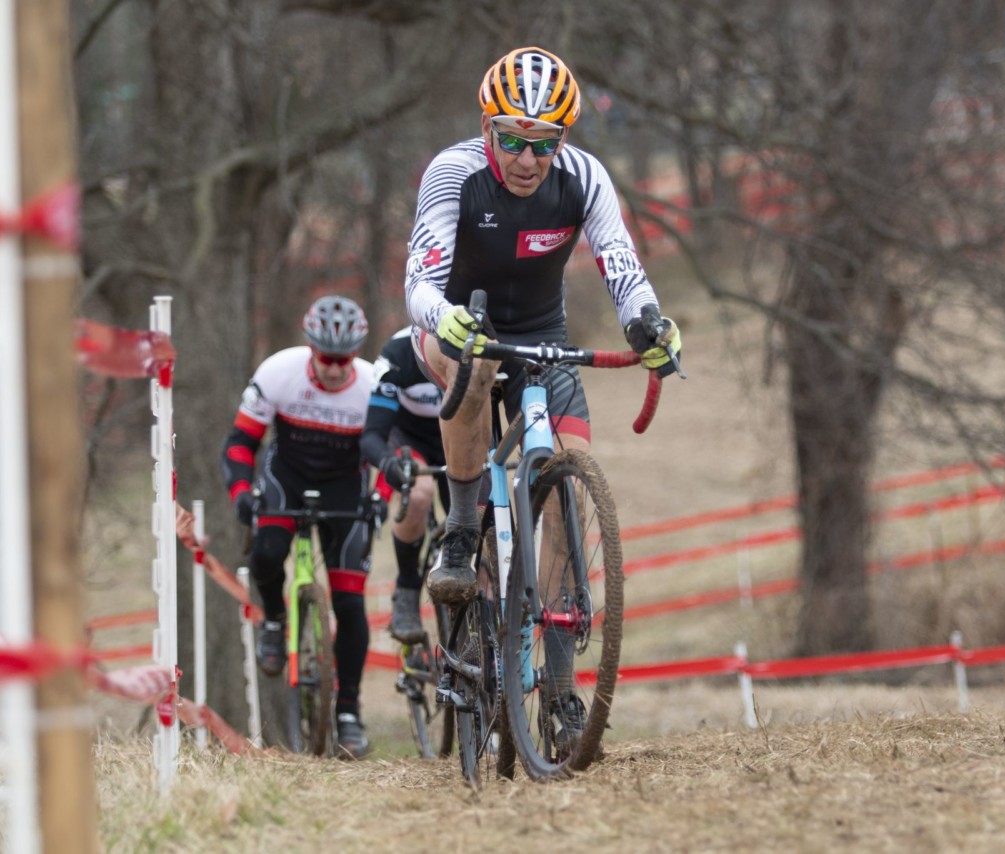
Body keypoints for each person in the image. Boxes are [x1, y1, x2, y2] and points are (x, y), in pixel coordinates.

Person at [403, 46, 682, 748]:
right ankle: (464, 530)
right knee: (468, 370)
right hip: (454, 323)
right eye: (512, 141)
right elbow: (419, 278)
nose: (528, 159)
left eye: (544, 144)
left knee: (568, 484)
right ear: (487, 129)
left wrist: (647, 322)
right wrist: (445, 318)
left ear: (565, 139)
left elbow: (621, 263)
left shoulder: (583, 177)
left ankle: (560, 696)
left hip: (541, 333)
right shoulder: (453, 173)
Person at [221, 295, 377, 758]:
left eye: (342, 359)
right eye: (325, 358)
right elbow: (238, 444)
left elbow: (389, 453)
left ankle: (348, 711)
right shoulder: (277, 372)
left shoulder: (372, 384)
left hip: (344, 487)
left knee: (350, 604)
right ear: (311, 349)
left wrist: (380, 499)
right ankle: (274, 618)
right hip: (286, 479)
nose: (332, 369)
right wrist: (242, 495)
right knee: (267, 552)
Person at [360, 326, 450, 644]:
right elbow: (371, 436)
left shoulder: (480, 342)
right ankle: (408, 588)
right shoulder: (398, 354)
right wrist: (388, 464)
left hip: (462, 437)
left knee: (481, 521)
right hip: (412, 439)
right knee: (419, 493)